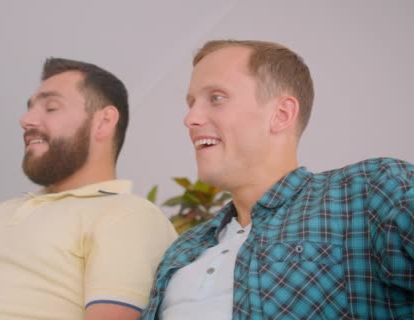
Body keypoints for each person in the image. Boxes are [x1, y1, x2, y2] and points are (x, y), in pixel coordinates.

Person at [140, 40, 414, 319]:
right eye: (191, 103)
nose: (190, 118)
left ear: (281, 115)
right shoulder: (182, 248)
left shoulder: (369, 193)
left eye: (216, 98)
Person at [0, 58, 177, 320]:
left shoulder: (129, 215)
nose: (25, 120)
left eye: (51, 107)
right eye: (29, 107)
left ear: (103, 122)